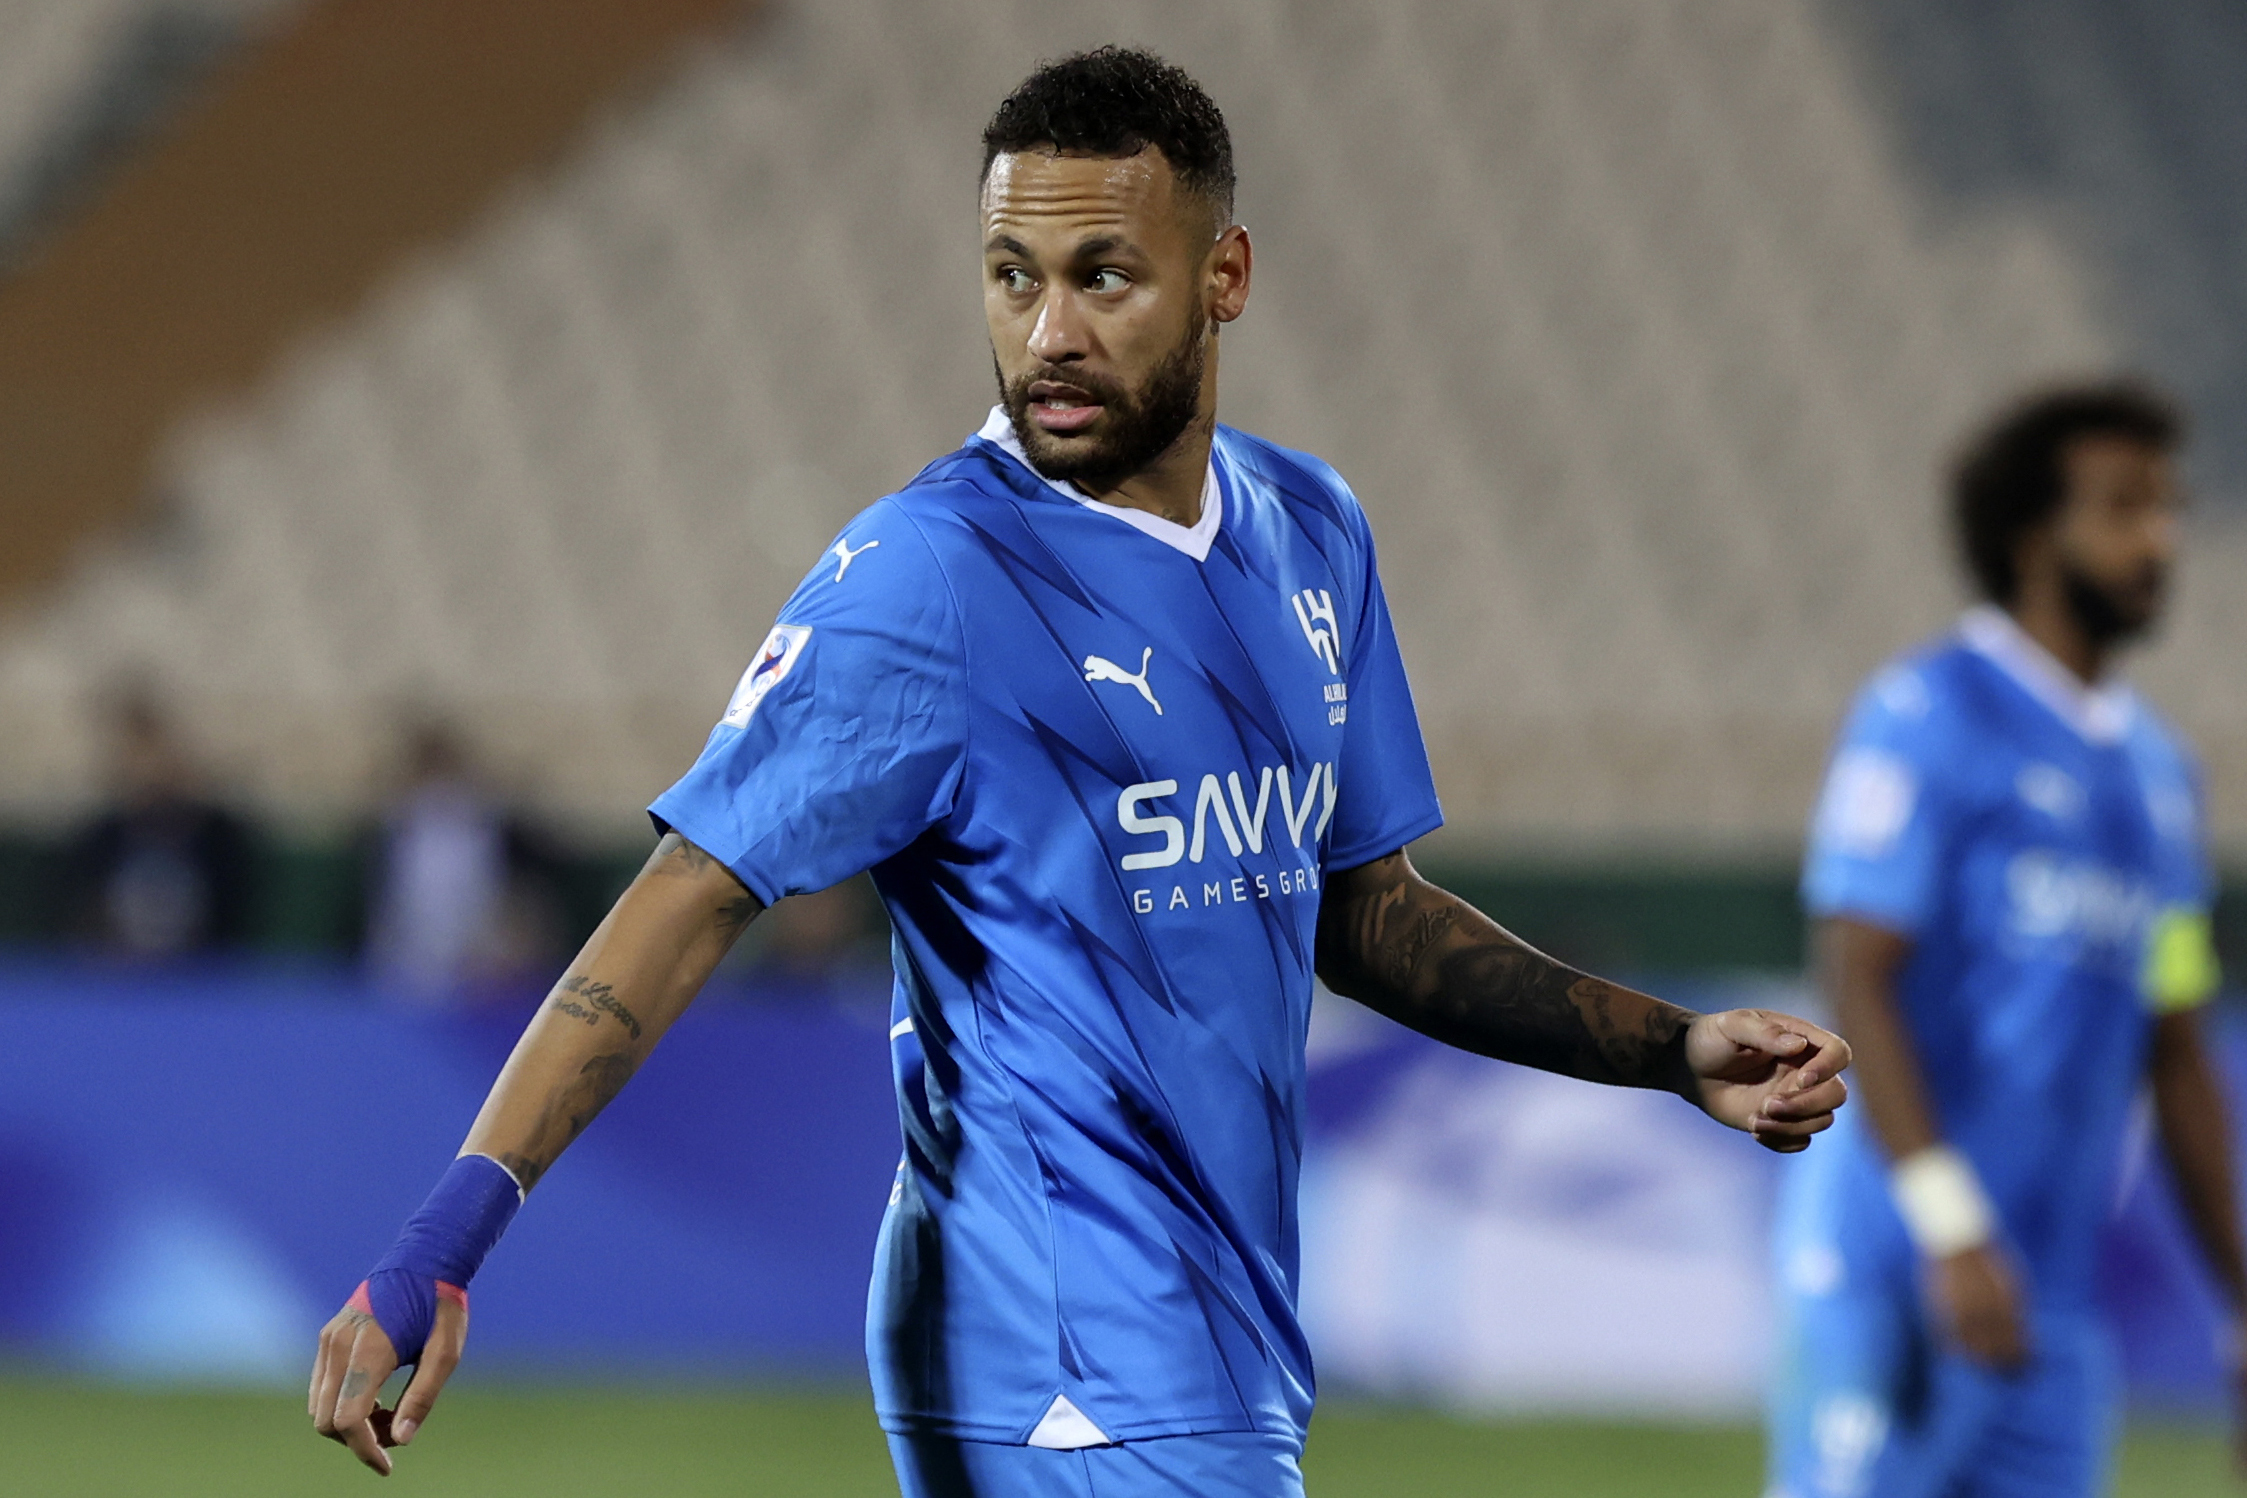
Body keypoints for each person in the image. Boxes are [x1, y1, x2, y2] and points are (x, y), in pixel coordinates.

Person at [310, 49, 1851, 1495]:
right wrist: (451, 1227)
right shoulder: (929, 576)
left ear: (1222, 279)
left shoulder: (1310, 531)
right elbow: (691, 888)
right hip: (1045, 1340)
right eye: (1011, 278)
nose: (1047, 331)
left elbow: (1360, 911)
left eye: (1102, 277)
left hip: (1217, 1328)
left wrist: (1668, 1047)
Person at [1767, 384, 2244, 1498]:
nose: (2160, 538)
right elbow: (1858, 974)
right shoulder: (1931, 713)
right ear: (2035, 535)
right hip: (1895, 1274)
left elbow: (2175, 1043)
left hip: (2050, 1315)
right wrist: (1948, 1227)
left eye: (2169, 508)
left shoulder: (2164, 782)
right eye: (2124, 508)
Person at [65, 686, 254, 957]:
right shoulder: (102, 838)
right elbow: (83, 926)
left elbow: (235, 928)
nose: (145, 769)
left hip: (202, 983)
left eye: (153, 754)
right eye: (132, 756)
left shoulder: (218, 836)